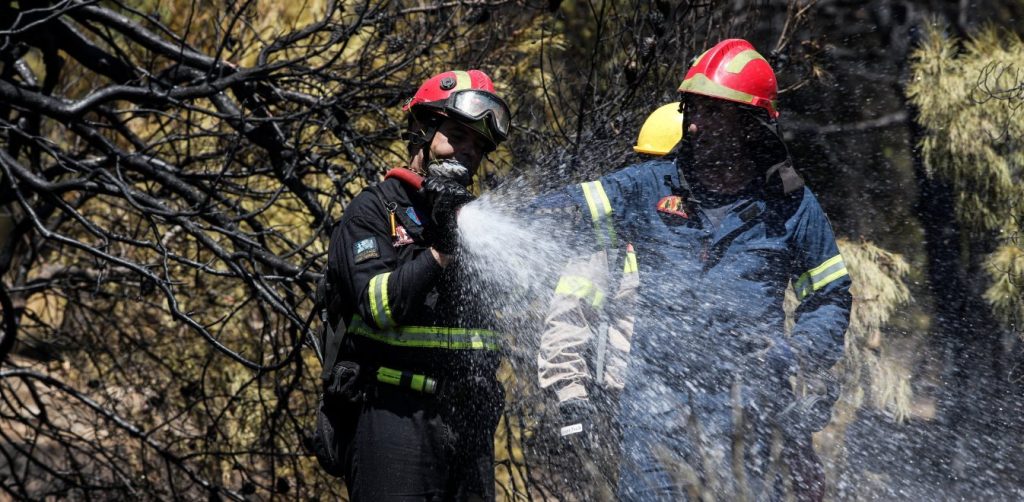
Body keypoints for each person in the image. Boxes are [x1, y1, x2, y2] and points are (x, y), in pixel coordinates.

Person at [539, 39, 851, 500]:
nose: (697, 124)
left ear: (750, 124)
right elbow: (567, 207)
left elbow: (829, 295)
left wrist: (797, 351)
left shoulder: (791, 206)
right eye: (692, 108)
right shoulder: (649, 186)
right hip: (655, 408)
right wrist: (474, 218)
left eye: (714, 111)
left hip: (750, 412)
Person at [323, 69, 512, 501]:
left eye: (479, 146)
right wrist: (440, 251)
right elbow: (378, 305)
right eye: (458, 135)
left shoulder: (477, 225)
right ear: (422, 130)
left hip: (467, 422)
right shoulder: (373, 211)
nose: (468, 152)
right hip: (393, 415)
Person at [535, 101, 684, 497]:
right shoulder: (611, 238)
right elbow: (569, 315)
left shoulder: (707, 240)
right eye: (646, 166)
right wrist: (572, 397)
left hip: (693, 409)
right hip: (618, 409)